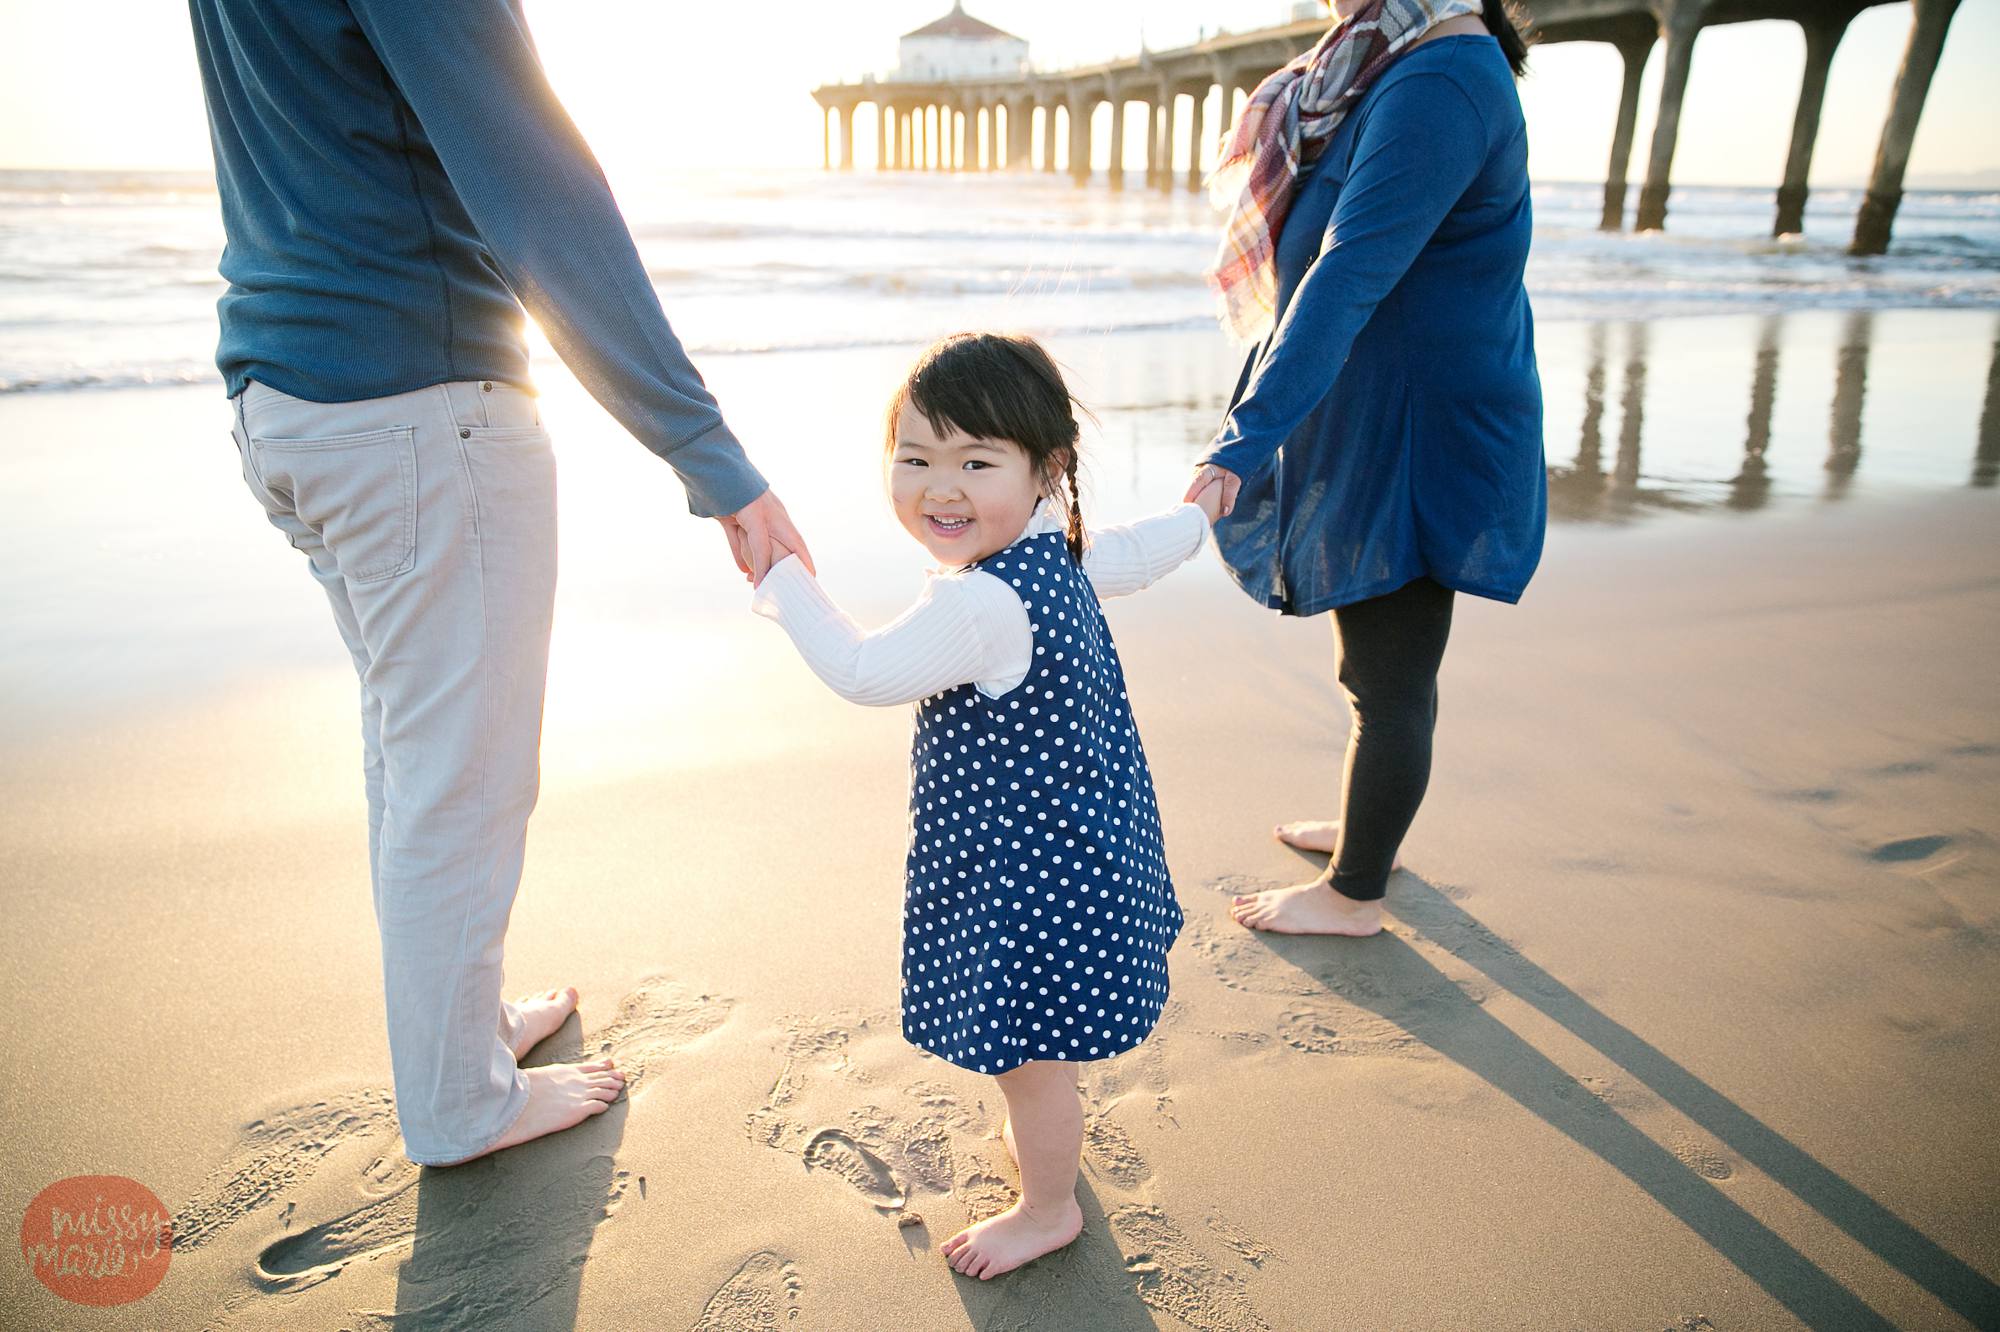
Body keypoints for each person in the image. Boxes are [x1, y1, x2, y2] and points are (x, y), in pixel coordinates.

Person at [188, 0, 811, 1167]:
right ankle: (459, 1104)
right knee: (460, 786)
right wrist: (704, 451)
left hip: (284, 392)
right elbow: (536, 181)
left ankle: (461, 1038)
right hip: (415, 402)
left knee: (413, 760)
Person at [751, 333, 1218, 1279]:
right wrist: (1201, 511)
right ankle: (1044, 1156)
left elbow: (862, 670)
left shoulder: (983, 604)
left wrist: (780, 580)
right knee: (1044, 1055)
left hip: (1027, 884)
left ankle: (1048, 1208)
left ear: (1045, 471)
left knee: (1030, 1064)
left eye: (975, 461)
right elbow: (1141, 549)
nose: (941, 488)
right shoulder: (1061, 553)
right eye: (915, 458)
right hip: (1084, 856)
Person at [1184, 0, 1545, 939]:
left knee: (1390, 671)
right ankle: (1367, 826)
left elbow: (1347, 271)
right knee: (1374, 662)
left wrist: (1244, 437)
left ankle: (1356, 894)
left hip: (1421, 433)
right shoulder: (1383, 63)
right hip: (1383, 412)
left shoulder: (1441, 79)